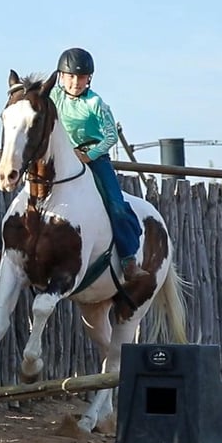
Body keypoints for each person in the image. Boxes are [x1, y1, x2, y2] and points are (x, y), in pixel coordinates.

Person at [51, 47, 148, 282]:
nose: (75, 82)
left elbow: (111, 137)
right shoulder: (54, 96)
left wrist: (90, 155)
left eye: (81, 77)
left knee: (115, 203)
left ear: (89, 79)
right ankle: (11, 249)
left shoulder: (96, 103)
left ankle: (128, 257)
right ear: (61, 77)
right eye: (70, 76)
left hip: (94, 157)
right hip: (63, 155)